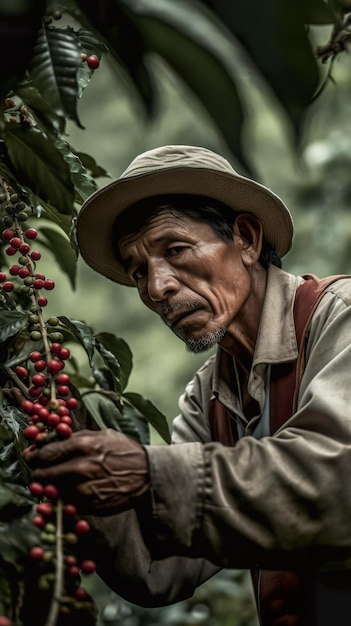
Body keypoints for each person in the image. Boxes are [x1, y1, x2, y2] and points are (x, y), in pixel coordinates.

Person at [28, 145, 351, 625]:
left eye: (175, 250)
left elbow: (338, 483)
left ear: (245, 238)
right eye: (139, 271)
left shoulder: (339, 318)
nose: (157, 288)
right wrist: (76, 454)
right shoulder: (209, 397)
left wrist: (150, 473)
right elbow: (161, 569)